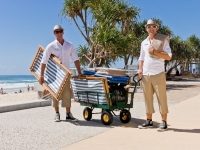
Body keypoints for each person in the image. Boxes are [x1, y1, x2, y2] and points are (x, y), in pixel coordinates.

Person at [39, 25, 82, 122]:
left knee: (67, 93)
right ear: (54, 33)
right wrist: (41, 76)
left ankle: (68, 114)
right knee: (55, 94)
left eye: (60, 31)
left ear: (63, 32)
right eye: (56, 31)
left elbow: (75, 59)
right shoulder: (50, 46)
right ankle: (57, 114)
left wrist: (79, 72)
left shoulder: (69, 45)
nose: (58, 33)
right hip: (54, 75)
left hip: (66, 74)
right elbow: (44, 61)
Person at [137, 19, 172, 131]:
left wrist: (155, 52)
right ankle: (149, 121)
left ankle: (164, 122)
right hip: (146, 75)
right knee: (147, 98)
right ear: (146, 28)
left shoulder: (162, 40)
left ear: (157, 28)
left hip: (158, 73)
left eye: (153, 26)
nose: (151, 28)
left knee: (161, 98)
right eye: (148, 26)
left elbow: (168, 56)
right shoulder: (144, 43)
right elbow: (141, 58)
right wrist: (140, 69)